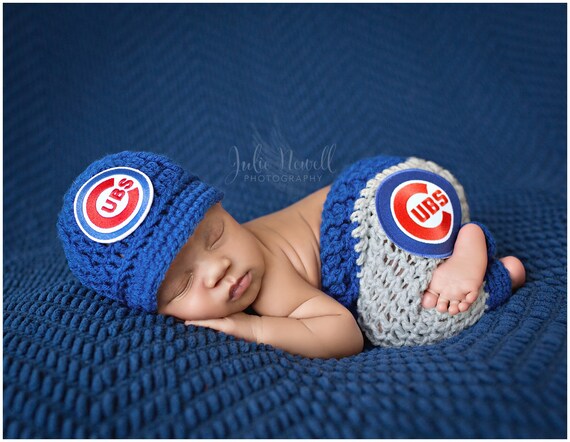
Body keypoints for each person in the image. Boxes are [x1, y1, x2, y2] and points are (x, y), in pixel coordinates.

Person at [57, 151, 525, 359]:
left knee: (396, 324)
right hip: (406, 183)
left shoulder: (269, 280)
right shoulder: (237, 266)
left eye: (215, 235)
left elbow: (343, 334)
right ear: (156, 309)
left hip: (374, 210)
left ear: (222, 208)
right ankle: (454, 244)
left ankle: (477, 257)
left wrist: (255, 328)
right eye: (181, 284)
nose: (218, 269)